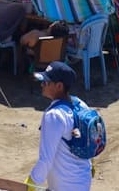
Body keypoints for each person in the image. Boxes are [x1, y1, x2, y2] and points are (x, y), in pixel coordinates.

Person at [29, 61, 93, 190]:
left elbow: (46, 159)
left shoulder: (54, 115)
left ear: (59, 86)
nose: (42, 85)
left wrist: (31, 182)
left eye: (46, 82)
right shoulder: (81, 104)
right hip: (83, 182)